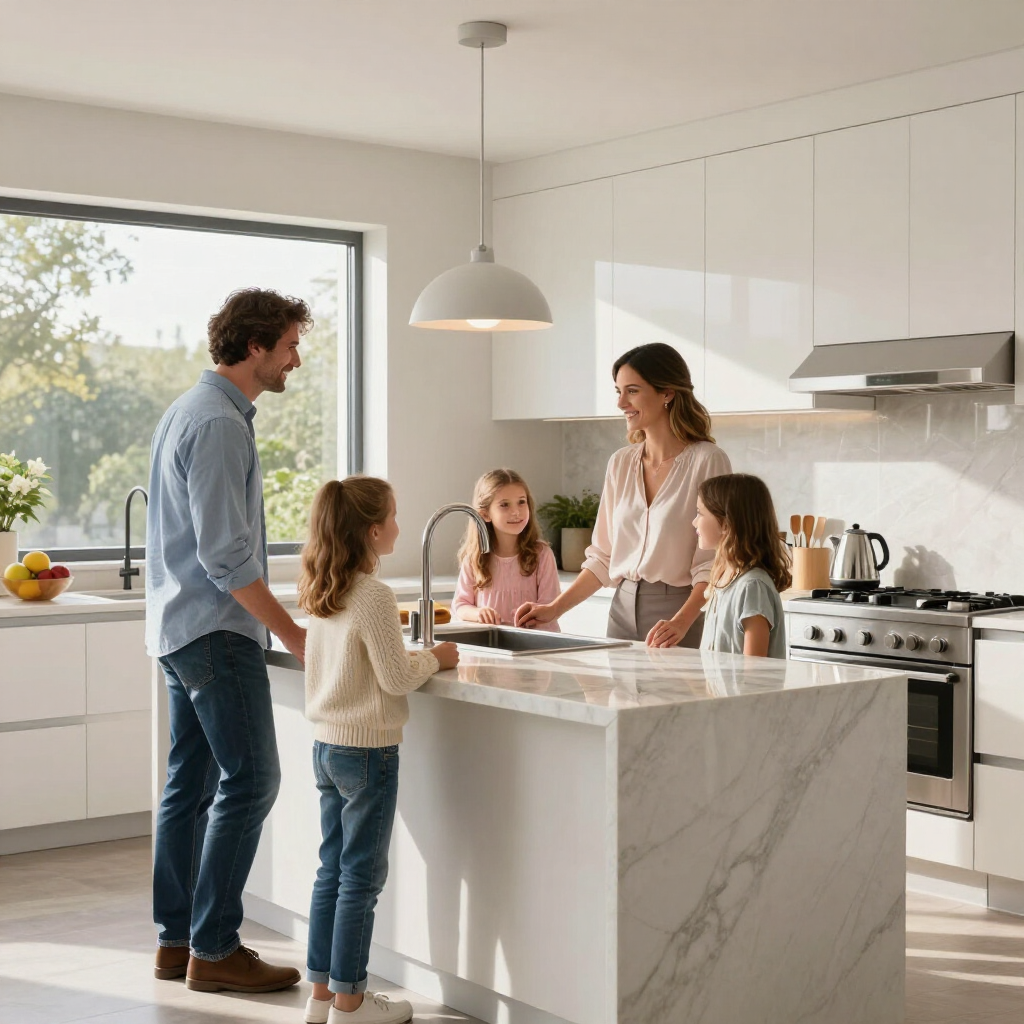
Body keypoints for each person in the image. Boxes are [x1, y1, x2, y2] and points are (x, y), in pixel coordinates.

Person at [147, 288, 311, 993]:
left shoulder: (192, 409)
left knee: (191, 785)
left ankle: (177, 942)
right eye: (289, 347)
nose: (295, 362)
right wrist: (294, 633)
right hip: (215, 631)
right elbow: (226, 556)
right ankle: (215, 948)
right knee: (252, 780)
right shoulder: (217, 423)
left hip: (182, 628)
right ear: (255, 348)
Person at [299, 477, 459, 1024]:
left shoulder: (325, 587)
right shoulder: (373, 595)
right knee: (361, 880)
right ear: (372, 530)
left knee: (332, 872)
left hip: (326, 746)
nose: (398, 525)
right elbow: (395, 677)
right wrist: (438, 658)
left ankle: (321, 997)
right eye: (393, 516)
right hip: (368, 753)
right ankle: (351, 1001)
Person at [516, 342, 731, 647]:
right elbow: (603, 557)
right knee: (618, 696)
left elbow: (714, 560)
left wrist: (682, 622)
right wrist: (553, 610)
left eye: (632, 391)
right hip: (621, 610)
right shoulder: (620, 463)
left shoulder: (708, 461)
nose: (621, 403)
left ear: (666, 393)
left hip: (677, 616)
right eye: (618, 391)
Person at [452, 468, 561, 632]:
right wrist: (478, 613)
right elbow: (460, 605)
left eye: (521, 502)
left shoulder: (542, 554)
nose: (516, 512)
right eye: (504, 505)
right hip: (495, 646)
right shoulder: (475, 558)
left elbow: (550, 605)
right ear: (485, 514)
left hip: (538, 645)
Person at [694, 473, 790, 659]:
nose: (694, 521)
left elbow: (753, 669)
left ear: (727, 525)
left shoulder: (752, 586)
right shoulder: (722, 578)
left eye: (700, 513)